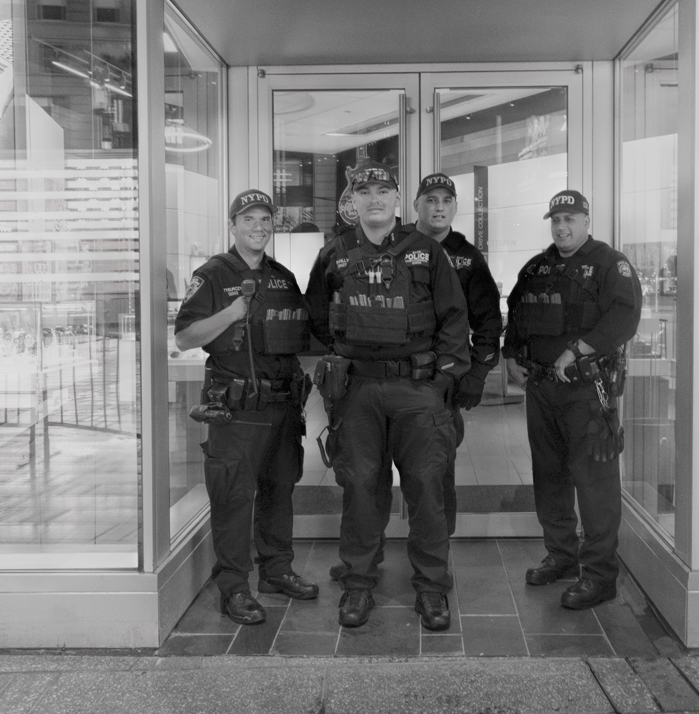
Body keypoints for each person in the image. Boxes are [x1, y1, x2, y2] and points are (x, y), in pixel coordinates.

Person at [307, 162, 470, 631]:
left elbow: (454, 320)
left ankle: (432, 588)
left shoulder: (425, 252)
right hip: (357, 392)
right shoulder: (334, 254)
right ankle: (358, 583)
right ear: (352, 202)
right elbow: (317, 317)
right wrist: (342, 360)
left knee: (425, 486)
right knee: (359, 487)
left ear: (398, 201)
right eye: (364, 191)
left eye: (383, 191)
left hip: (418, 391)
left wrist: (440, 381)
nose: (374, 199)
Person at [174, 189, 317, 625]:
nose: (258, 227)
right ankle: (234, 587)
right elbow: (185, 337)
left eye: (265, 220)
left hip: (282, 404)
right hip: (236, 409)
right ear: (233, 225)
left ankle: (276, 571)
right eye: (249, 219)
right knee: (235, 497)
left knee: (280, 490)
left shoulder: (283, 276)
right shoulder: (214, 274)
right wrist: (231, 313)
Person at [503, 189, 642, 611]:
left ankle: (600, 576)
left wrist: (579, 349)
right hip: (542, 390)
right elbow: (517, 312)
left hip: (587, 392)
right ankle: (561, 557)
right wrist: (511, 355)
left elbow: (625, 316)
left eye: (570, 219)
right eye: (556, 220)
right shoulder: (538, 267)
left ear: (586, 220)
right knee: (550, 476)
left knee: (594, 484)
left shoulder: (608, 263)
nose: (562, 227)